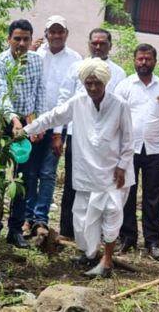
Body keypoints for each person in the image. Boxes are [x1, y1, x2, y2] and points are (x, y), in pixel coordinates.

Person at [23, 59, 134, 278]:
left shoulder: (119, 104)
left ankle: (107, 261)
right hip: (86, 170)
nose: (92, 88)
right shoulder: (79, 101)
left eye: (97, 83)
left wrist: (122, 166)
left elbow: (129, 140)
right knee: (82, 216)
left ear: (105, 82)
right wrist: (26, 129)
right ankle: (89, 254)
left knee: (111, 215)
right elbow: (53, 116)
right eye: (88, 83)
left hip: (113, 173)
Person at [56, 28, 127, 242]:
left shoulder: (118, 73)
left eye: (102, 43)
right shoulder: (77, 68)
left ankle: (101, 234)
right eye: (94, 43)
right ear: (89, 44)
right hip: (77, 135)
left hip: (106, 141)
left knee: (103, 189)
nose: (98, 47)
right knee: (73, 182)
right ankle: (68, 231)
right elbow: (64, 99)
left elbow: (120, 107)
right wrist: (58, 134)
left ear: (110, 46)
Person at [0, 19, 46, 248]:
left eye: (26, 39)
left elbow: (40, 90)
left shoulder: (36, 61)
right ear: (9, 39)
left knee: (25, 176)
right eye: (17, 39)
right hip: (3, 121)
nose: (21, 43)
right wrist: (13, 119)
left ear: (32, 40)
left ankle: (15, 230)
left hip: (27, 121)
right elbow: (1, 94)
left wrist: (38, 122)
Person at [115, 44, 159, 260]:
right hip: (129, 148)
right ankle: (127, 237)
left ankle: (153, 241)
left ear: (155, 61)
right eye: (140, 59)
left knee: (153, 196)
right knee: (126, 194)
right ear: (134, 60)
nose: (143, 63)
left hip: (155, 149)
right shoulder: (124, 86)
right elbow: (116, 118)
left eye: (148, 59)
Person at [26, 15, 82, 233]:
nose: (56, 35)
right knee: (29, 172)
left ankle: (41, 219)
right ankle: (27, 217)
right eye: (52, 31)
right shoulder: (35, 54)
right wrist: (32, 122)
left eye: (61, 31)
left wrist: (58, 132)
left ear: (66, 34)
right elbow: (27, 87)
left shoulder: (76, 59)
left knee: (48, 173)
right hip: (34, 122)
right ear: (46, 33)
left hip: (58, 125)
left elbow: (70, 98)